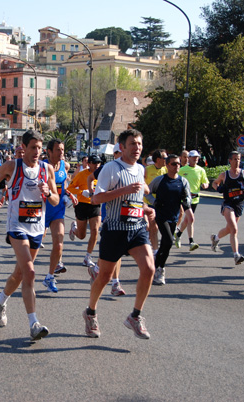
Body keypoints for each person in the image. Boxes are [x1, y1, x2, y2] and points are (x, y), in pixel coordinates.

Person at [83, 129, 155, 340]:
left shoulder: (140, 169)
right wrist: (123, 190)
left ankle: (135, 316)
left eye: (139, 144)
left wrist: (146, 209)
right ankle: (91, 312)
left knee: (149, 268)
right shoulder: (110, 169)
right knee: (104, 276)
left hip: (136, 229)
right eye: (132, 144)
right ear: (122, 147)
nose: (137, 148)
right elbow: (96, 199)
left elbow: (134, 201)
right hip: (114, 230)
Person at [0, 130, 59, 341]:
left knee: (20, 274)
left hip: (37, 228)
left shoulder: (47, 170)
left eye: (39, 147)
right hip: (17, 226)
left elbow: (55, 200)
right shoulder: (12, 166)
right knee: (29, 272)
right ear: (24, 147)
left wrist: (47, 193)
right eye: (33, 147)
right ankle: (33, 323)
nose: (37, 152)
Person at [146, 154, 193, 285]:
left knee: (166, 245)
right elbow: (147, 192)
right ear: (167, 166)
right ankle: (161, 269)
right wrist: (154, 202)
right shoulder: (160, 180)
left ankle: (156, 266)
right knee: (168, 240)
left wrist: (186, 201)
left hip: (174, 216)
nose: (177, 166)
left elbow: (188, 197)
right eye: (173, 164)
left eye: (178, 164)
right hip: (161, 215)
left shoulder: (183, 181)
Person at [86, 143, 126, 296]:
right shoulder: (107, 168)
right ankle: (113, 281)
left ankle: (98, 270)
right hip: (109, 213)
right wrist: (92, 193)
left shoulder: (132, 168)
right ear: (115, 154)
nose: (121, 155)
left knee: (116, 250)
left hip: (126, 215)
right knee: (115, 249)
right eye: (118, 152)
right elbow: (90, 177)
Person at [41, 139, 77, 293]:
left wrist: (69, 194)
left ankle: (50, 276)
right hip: (40, 210)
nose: (61, 152)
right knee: (31, 250)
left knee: (59, 243)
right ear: (49, 151)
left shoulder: (65, 166)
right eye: (58, 149)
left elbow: (62, 186)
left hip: (57, 210)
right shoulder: (41, 167)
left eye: (62, 149)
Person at [210, 151, 244, 265]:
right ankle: (236, 255)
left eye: (239, 159)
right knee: (234, 229)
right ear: (230, 160)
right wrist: (218, 188)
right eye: (235, 159)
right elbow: (214, 183)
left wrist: (243, 188)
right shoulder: (224, 175)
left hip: (239, 204)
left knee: (229, 229)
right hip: (228, 204)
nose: (237, 161)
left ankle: (215, 238)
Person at [68, 155, 102, 269]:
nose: (97, 165)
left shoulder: (101, 175)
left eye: (99, 163)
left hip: (95, 205)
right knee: (82, 236)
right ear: (89, 164)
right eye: (94, 163)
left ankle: (88, 256)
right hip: (82, 205)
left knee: (95, 230)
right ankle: (74, 229)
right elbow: (70, 188)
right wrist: (82, 192)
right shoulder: (82, 175)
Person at [175, 150, 209, 250]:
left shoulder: (201, 170)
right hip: (185, 197)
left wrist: (205, 185)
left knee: (187, 220)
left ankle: (178, 235)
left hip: (195, 198)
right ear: (189, 158)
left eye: (197, 157)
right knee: (191, 218)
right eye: (193, 157)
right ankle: (191, 241)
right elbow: (176, 179)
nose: (195, 159)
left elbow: (205, 181)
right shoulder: (182, 170)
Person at [144, 149, 168, 254]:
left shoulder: (166, 170)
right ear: (158, 159)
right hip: (148, 202)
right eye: (165, 158)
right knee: (151, 226)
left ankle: (153, 248)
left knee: (155, 228)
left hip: (161, 203)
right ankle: (154, 251)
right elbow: (143, 186)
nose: (166, 160)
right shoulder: (147, 170)